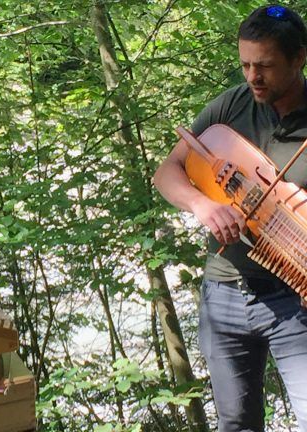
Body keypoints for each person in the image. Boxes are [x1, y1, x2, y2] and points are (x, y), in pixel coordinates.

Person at [153, 4, 307, 431]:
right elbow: (167, 172)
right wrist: (201, 205)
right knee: (236, 423)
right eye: (245, 65)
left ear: (299, 58)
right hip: (225, 292)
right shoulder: (230, 105)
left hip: (294, 300)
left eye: (265, 66)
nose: (253, 76)